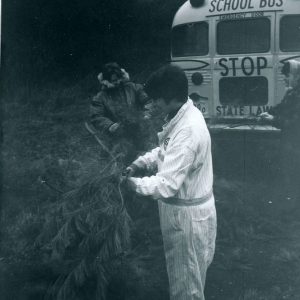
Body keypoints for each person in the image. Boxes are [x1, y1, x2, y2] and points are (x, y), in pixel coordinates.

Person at [124, 65, 217, 300]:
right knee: (188, 277)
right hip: (186, 211)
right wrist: (140, 163)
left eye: (157, 100)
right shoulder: (183, 113)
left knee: (187, 289)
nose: (153, 104)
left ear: (171, 98)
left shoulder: (188, 131)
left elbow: (166, 185)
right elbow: (166, 150)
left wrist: (132, 184)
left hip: (186, 219)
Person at [260, 59, 300, 199]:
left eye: (287, 75)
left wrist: (273, 120)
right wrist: (269, 112)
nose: (284, 78)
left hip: (296, 146)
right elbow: (281, 108)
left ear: (297, 76)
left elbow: (295, 124)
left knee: (294, 175)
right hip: (290, 143)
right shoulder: (292, 92)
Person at [89, 62, 148, 149]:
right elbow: (96, 116)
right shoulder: (100, 98)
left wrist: (147, 113)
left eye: (118, 79)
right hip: (117, 135)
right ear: (106, 81)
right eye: (113, 81)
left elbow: (147, 99)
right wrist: (110, 125)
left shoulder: (132, 88)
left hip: (139, 128)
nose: (117, 82)